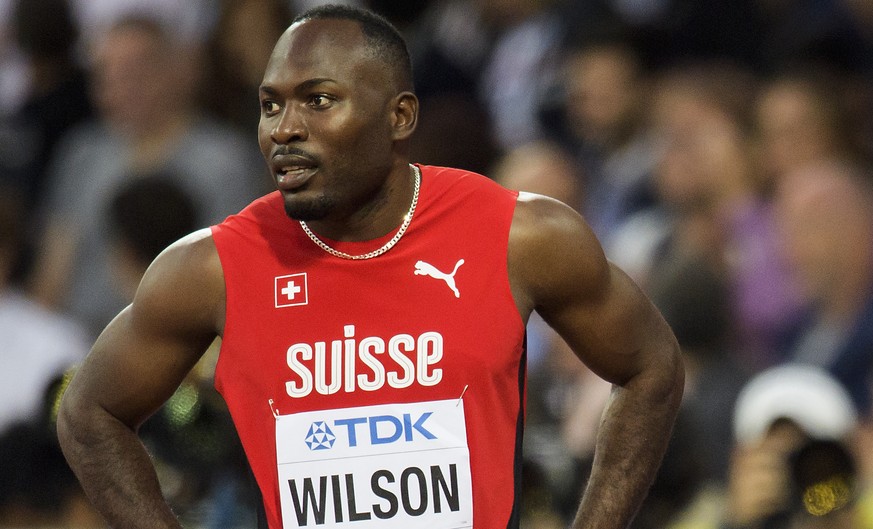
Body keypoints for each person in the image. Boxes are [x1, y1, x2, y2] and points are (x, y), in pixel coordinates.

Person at [57, 6, 684, 529]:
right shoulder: (211, 268)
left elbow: (651, 366)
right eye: (270, 106)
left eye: (319, 100)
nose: (285, 129)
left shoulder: (520, 234)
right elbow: (88, 413)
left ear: (399, 117)